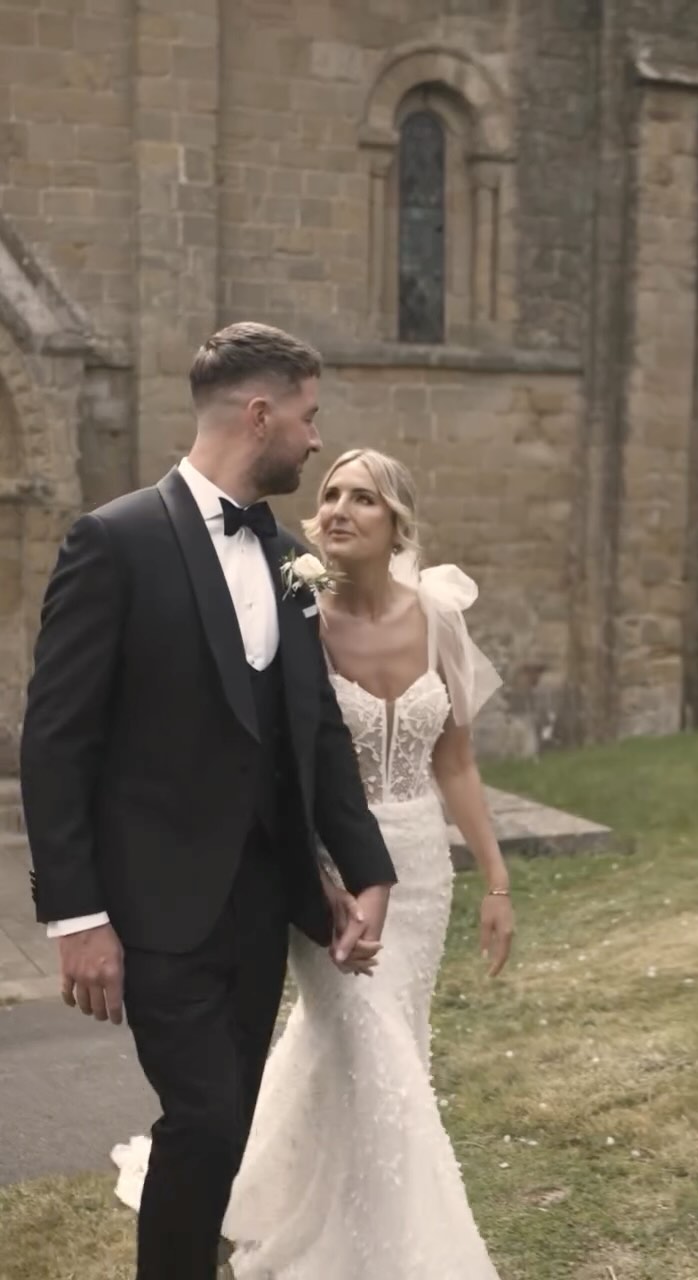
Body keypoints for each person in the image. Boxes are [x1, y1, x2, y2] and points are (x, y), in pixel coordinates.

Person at [20, 328, 398, 1280]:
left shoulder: (284, 554)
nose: (317, 444)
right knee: (207, 1116)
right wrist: (77, 915)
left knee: (220, 1126)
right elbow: (57, 742)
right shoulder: (114, 541)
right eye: (309, 419)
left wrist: (367, 869)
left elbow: (310, 731)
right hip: (152, 910)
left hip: (258, 907)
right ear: (259, 414)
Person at [113, 447, 514, 1278]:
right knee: (376, 1053)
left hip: (422, 874)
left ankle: (282, 1193)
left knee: (386, 1045)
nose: (335, 508)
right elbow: (283, 764)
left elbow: (457, 763)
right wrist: (319, 875)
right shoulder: (299, 614)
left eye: (360, 498)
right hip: (327, 873)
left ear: (395, 521)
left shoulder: (439, 616)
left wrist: (496, 881)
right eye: (328, 493)